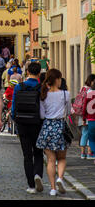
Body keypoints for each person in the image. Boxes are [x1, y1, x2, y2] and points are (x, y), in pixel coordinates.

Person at [36, 68, 71, 196]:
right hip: (60, 126)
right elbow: (68, 111)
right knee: (61, 158)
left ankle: (52, 188)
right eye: (60, 78)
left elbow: (41, 114)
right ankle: (60, 178)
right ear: (57, 79)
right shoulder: (65, 94)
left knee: (51, 160)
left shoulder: (43, 95)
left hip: (47, 126)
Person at [11, 61, 44, 195]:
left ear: (28, 72)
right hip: (37, 123)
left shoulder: (19, 87)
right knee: (38, 152)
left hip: (22, 123)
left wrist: (15, 119)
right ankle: (38, 175)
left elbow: (13, 105)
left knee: (26, 155)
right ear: (39, 72)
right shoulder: (42, 87)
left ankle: (31, 185)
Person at [73, 74, 95, 159]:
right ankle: (90, 152)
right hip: (90, 115)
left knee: (84, 133)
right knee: (91, 134)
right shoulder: (91, 91)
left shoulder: (83, 88)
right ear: (92, 81)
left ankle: (82, 153)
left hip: (82, 115)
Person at [83, 78, 95, 161]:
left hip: (91, 119)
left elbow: (85, 108)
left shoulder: (89, 94)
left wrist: (84, 118)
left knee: (92, 139)